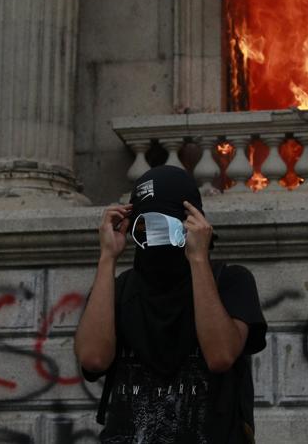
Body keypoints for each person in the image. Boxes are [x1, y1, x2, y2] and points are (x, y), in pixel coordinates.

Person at [74, 165, 267, 443]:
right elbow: (93, 359)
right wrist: (108, 256)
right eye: (145, 226)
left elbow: (220, 355)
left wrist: (198, 257)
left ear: (191, 222)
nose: (155, 236)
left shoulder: (230, 280)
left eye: (167, 224)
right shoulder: (119, 289)